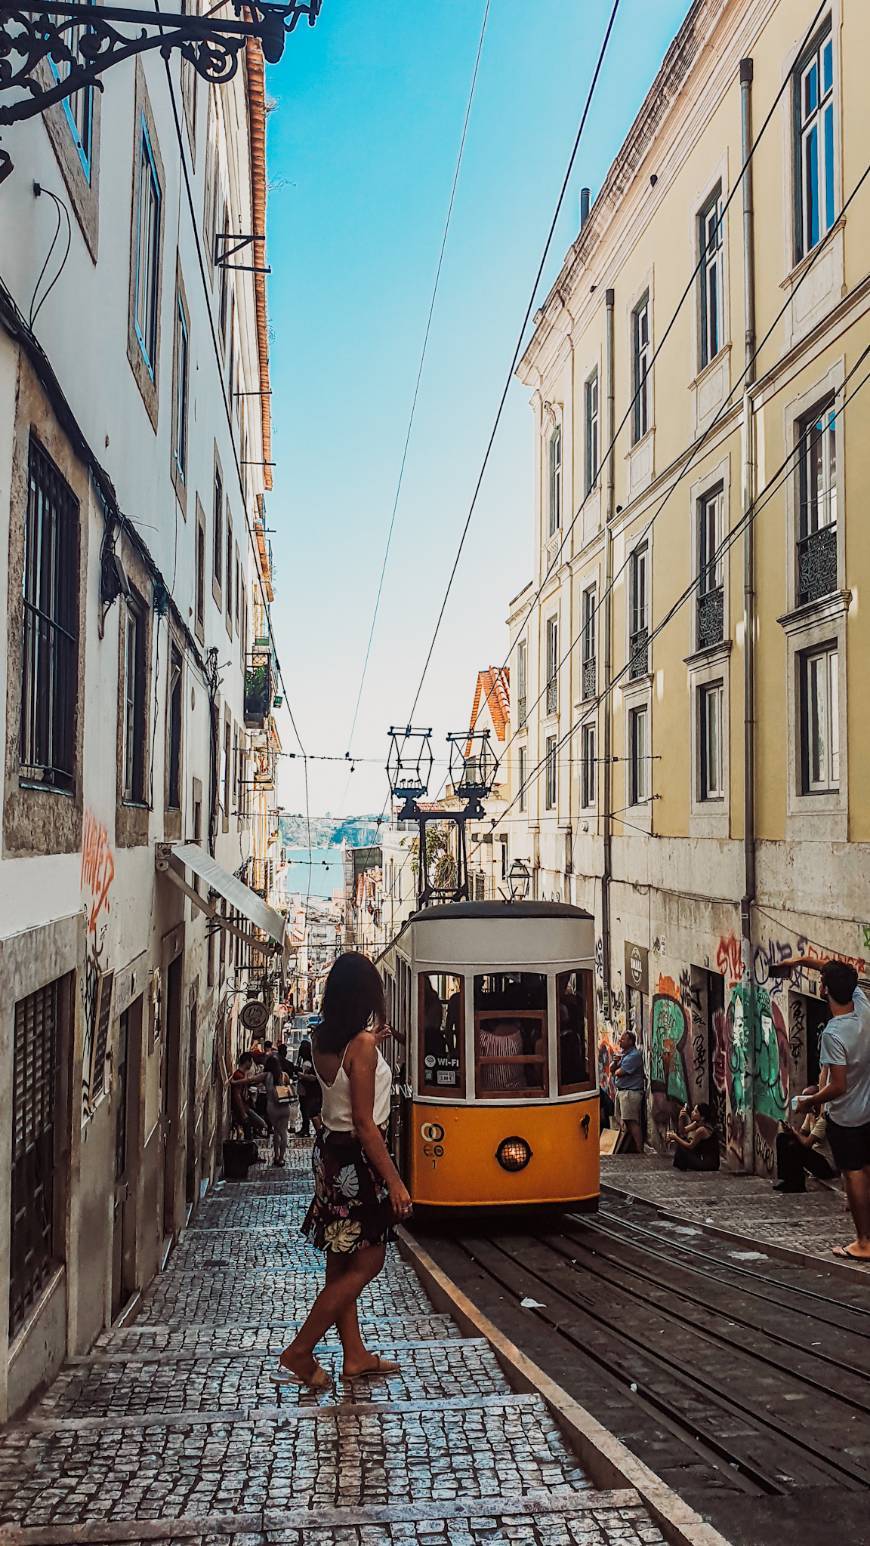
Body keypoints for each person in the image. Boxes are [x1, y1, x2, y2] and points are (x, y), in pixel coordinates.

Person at [276, 952, 412, 1391]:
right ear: (364, 996)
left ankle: (354, 1355)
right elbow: (365, 1123)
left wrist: (371, 1039)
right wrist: (394, 1181)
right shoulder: (364, 1048)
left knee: (339, 1265)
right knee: (369, 1260)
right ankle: (301, 1348)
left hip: (330, 1159)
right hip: (358, 1161)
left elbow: (339, 1090)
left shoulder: (321, 1040)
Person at [795, 960, 870, 1262]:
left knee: (853, 1175)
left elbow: (837, 1085)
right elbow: (839, 970)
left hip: (847, 1117)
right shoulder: (863, 1007)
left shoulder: (833, 1033)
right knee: (867, 1170)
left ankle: (864, 1242)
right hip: (869, 1111)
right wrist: (801, 961)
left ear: (824, 989)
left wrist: (809, 1102)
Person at [774, 1085, 837, 1193]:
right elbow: (802, 1133)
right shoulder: (811, 1114)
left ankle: (797, 1184)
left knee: (795, 1147)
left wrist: (794, 1132)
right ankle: (787, 1180)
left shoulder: (823, 1119)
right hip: (815, 1156)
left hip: (826, 1164)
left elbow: (807, 1143)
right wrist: (790, 1132)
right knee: (782, 1138)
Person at [612, 1029, 644, 1152]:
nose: (620, 1040)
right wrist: (616, 1062)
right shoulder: (623, 1054)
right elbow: (612, 1069)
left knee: (631, 1121)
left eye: (623, 1039)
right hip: (623, 1091)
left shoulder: (634, 1055)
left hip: (630, 1093)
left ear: (630, 1041)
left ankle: (639, 1150)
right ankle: (629, 1148)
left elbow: (618, 1073)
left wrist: (617, 1066)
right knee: (625, 1121)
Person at [667, 1102, 720, 1171]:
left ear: (702, 1117)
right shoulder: (697, 1123)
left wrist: (675, 1138)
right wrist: (681, 1118)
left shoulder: (702, 1130)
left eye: (696, 1112)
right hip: (703, 1158)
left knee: (681, 1148)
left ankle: (682, 1166)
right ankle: (683, 1166)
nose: (692, 1113)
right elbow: (682, 1131)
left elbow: (690, 1146)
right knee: (684, 1140)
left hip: (709, 1164)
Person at [264, 1053, 293, 1167]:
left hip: (272, 1108)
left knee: (276, 1131)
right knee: (283, 1132)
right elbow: (288, 1088)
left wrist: (235, 1082)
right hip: (284, 1107)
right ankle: (281, 1158)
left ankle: (276, 1156)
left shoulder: (266, 1075)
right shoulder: (284, 1075)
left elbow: (250, 1080)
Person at [230, 1052, 267, 1139]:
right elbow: (237, 1095)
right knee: (260, 1124)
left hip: (246, 1106)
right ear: (247, 1061)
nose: (252, 1064)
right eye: (251, 1061)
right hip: (243, 1108)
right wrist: (243, 1112)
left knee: (254, 1128)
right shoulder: (238, 1075)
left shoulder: (242, 1074)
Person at [294, 1036, 322, 1137]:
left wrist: (302, 1076)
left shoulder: (311, 1062)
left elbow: (314, 1077)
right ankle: (305, 1128)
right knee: (304, 1110)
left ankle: (313, 1130)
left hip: (309, 1091)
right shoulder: (308, 1060)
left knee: (309, 1111)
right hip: (306, 1090)